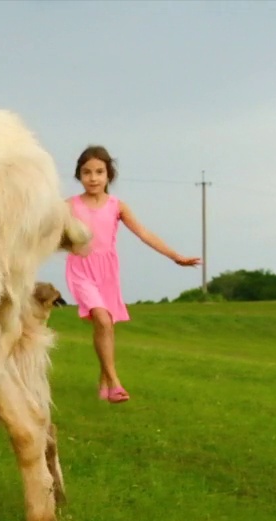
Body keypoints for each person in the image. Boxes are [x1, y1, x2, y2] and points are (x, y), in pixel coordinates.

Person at [65, 145, 201, 403]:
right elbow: (43, 228)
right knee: (103, 321)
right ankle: (115, 383)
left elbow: (144, 233)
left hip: (108, 272)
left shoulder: (117, 206)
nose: (93, 178)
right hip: (81, 270)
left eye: (99, 172)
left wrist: (175, 256)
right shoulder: (69, 206)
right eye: (86, 172)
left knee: (107, 327)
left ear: (108, 176)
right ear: (79, 175)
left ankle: (103, 383)